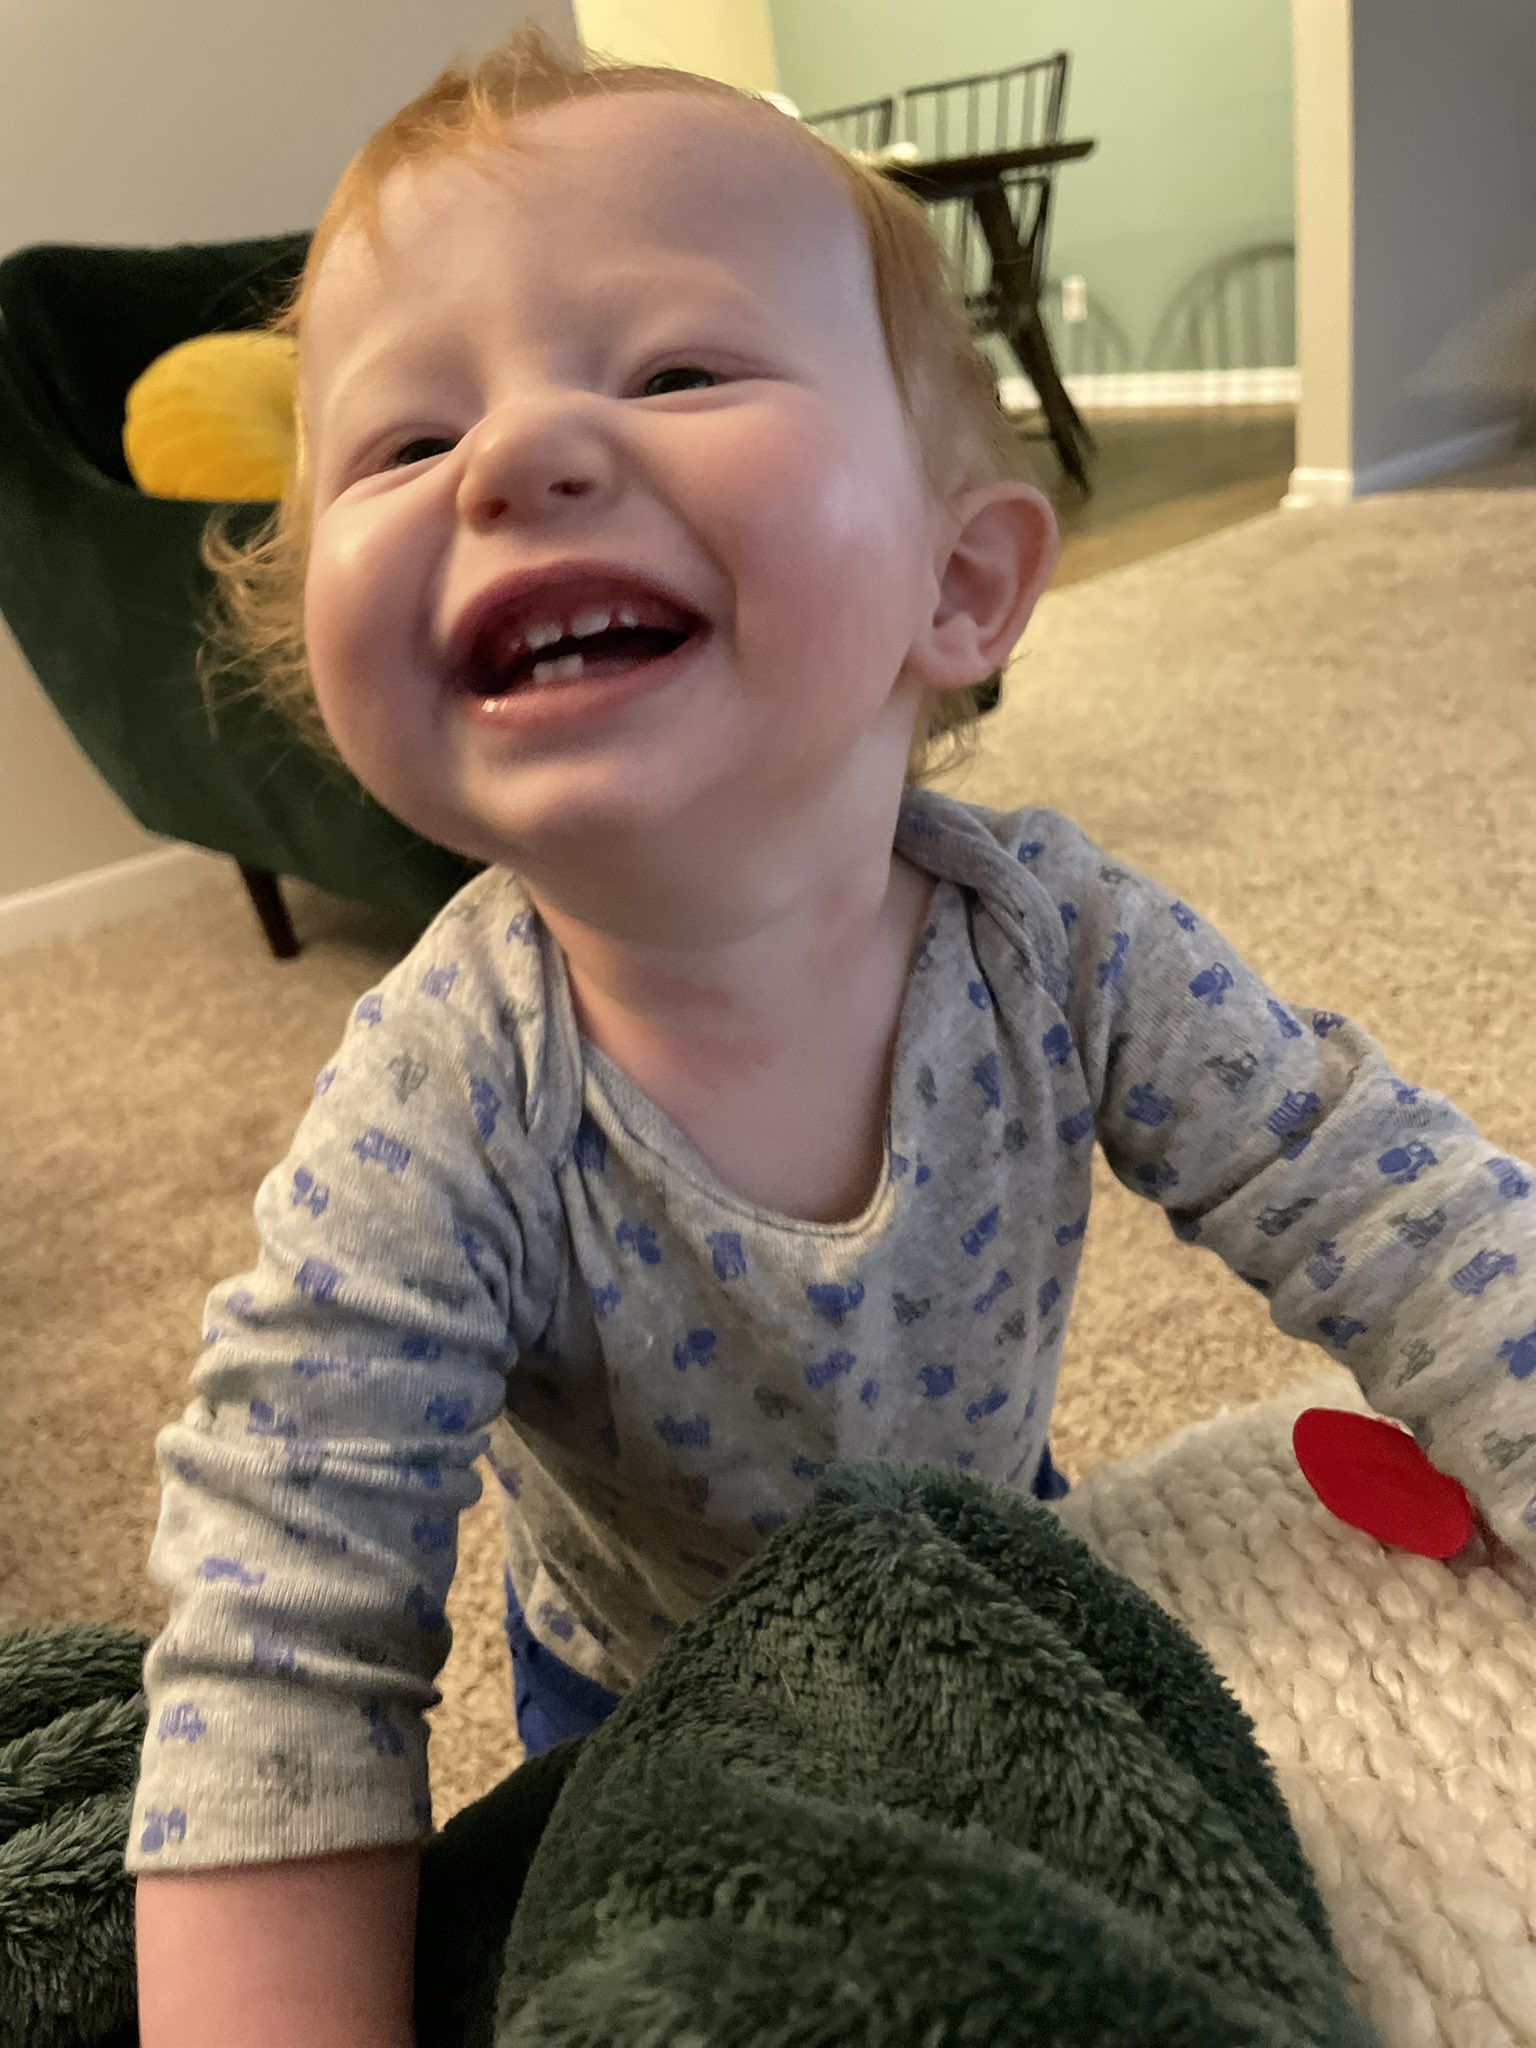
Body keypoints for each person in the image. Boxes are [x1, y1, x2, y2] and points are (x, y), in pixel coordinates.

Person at [131, 23, 1536, 2048]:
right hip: (641, 1687)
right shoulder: (442, 1101)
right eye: (408, 439)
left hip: (994, 1560)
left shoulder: (1064, 946)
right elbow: (277, 1625)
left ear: (961, 585)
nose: (517, 455)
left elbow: (1396, 1209)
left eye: (674, 372)